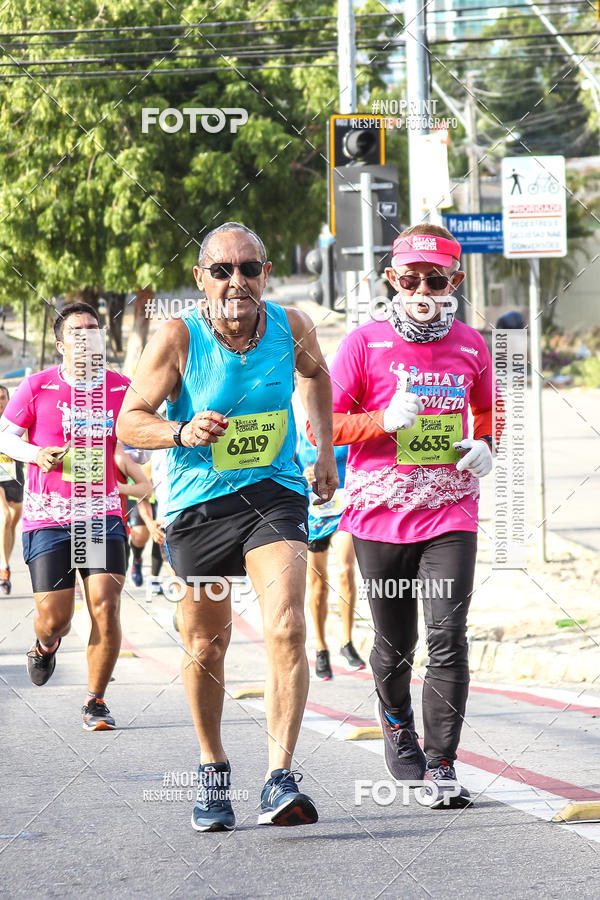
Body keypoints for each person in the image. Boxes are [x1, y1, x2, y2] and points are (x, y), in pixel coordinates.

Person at [117, 222, 338, 832]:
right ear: (201, 279)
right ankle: (212, 767)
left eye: (249, 268)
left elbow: (316, 375)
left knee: (287, 623)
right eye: (222, 270)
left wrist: (322, 450)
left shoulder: (292, 326)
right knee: (206, 642)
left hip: (274, 493)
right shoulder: (178, 336)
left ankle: (279, 777)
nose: (236, 280)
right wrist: (180, 431)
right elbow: (129, 420)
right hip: (199, 506)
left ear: (266, 273)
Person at [314, 224, 499, 809]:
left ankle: (442, 763)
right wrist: (381, 421)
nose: (422, 290)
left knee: (447, 636)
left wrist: (486, 446)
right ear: (392, 279)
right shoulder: (363, 343)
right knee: (396, 644)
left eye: (435, 280)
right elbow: (323, 426)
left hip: (451, 510)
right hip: (380, 515)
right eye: (411, 279)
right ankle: (396, 720)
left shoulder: (471, 345)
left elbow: (488, 413)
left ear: (454, 282)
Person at [0, 302, 130, 730]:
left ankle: (95, 700)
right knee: (57, 619)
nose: (88, 336)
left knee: (105, 605)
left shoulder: (121, 388)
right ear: (61, 345)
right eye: (77, 331)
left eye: (94, 328)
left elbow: (141, 437)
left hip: (99, 514)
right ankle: (45, 644)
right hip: (49, 517)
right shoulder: (37, 386)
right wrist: (35, 453)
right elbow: (4, 437)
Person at [295, 423, 365, 680]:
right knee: (318, 584)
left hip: (343, 508)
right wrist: (303, 476)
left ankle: (347, 642)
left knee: (346, 570)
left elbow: (359, 460)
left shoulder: (342, 425)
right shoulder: (298, 431)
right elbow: (287, 468)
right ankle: (321, 647)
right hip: (314, 514)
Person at [0, 384, 24, 594]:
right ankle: (4, 569)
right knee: (5, 517)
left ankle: (4, 563)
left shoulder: (16, 421)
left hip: (14, 477)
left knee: (11, 524)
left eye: (2, 398)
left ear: (8, 400)